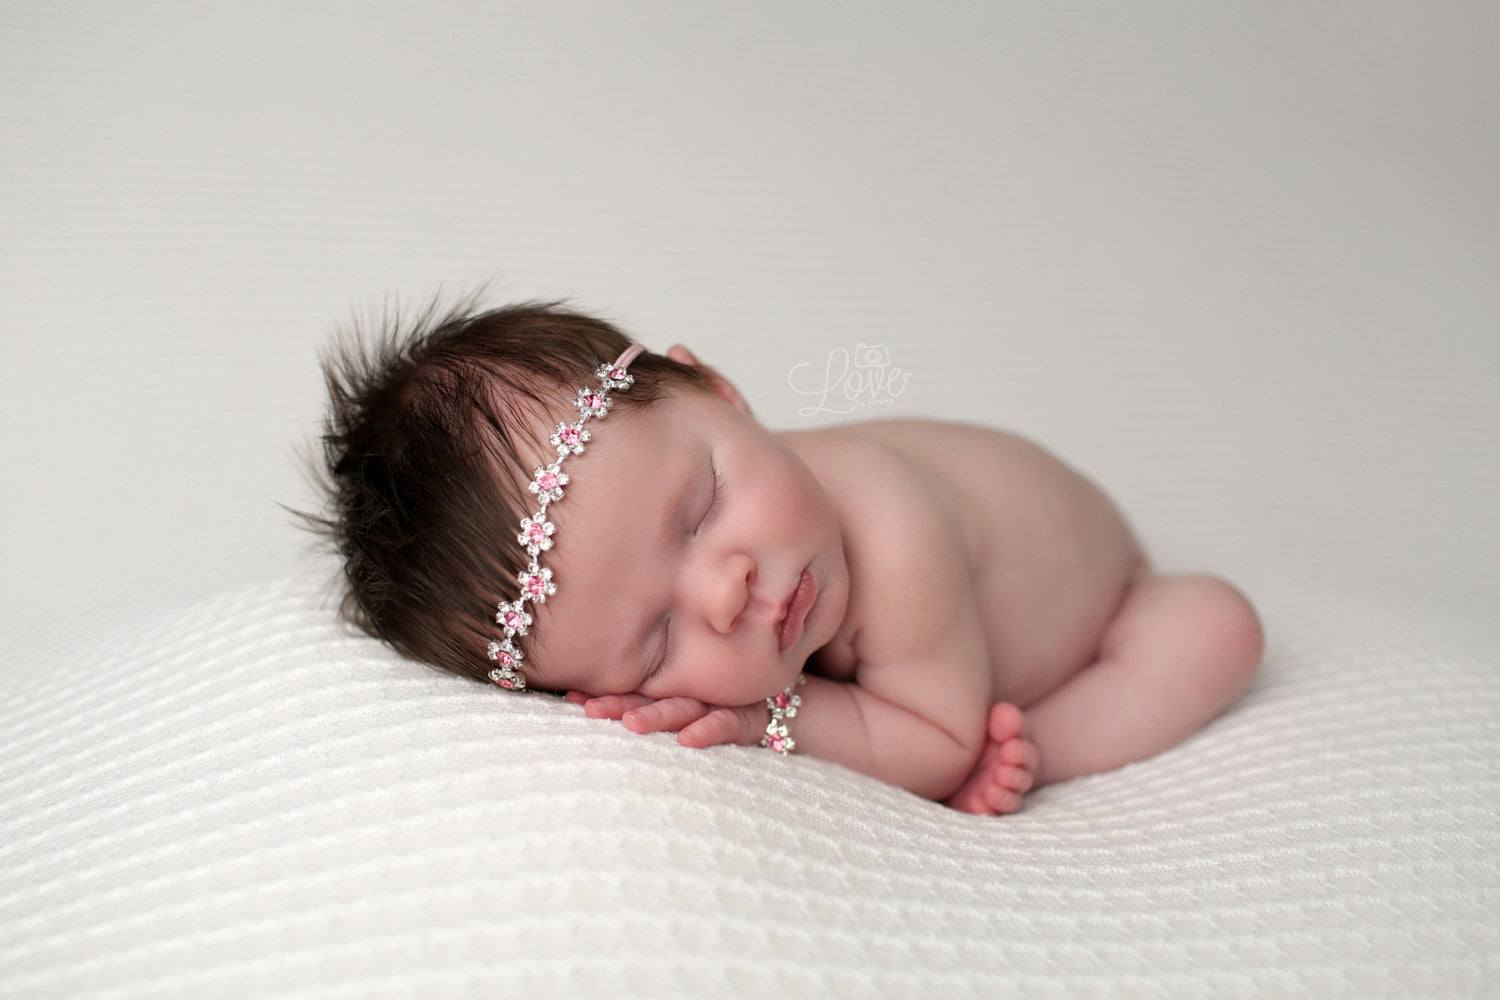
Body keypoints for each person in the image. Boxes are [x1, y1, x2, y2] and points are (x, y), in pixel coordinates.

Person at [309, 300, 1263, 815]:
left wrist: (772, 716)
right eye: (655, 643)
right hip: (964, 668)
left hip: (1115, 602)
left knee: (1217, 628)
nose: (726, 591)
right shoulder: (767, 535)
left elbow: (934, 743)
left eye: (703, 506)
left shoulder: (889, 523)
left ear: (722, 393)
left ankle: (1051, 741)